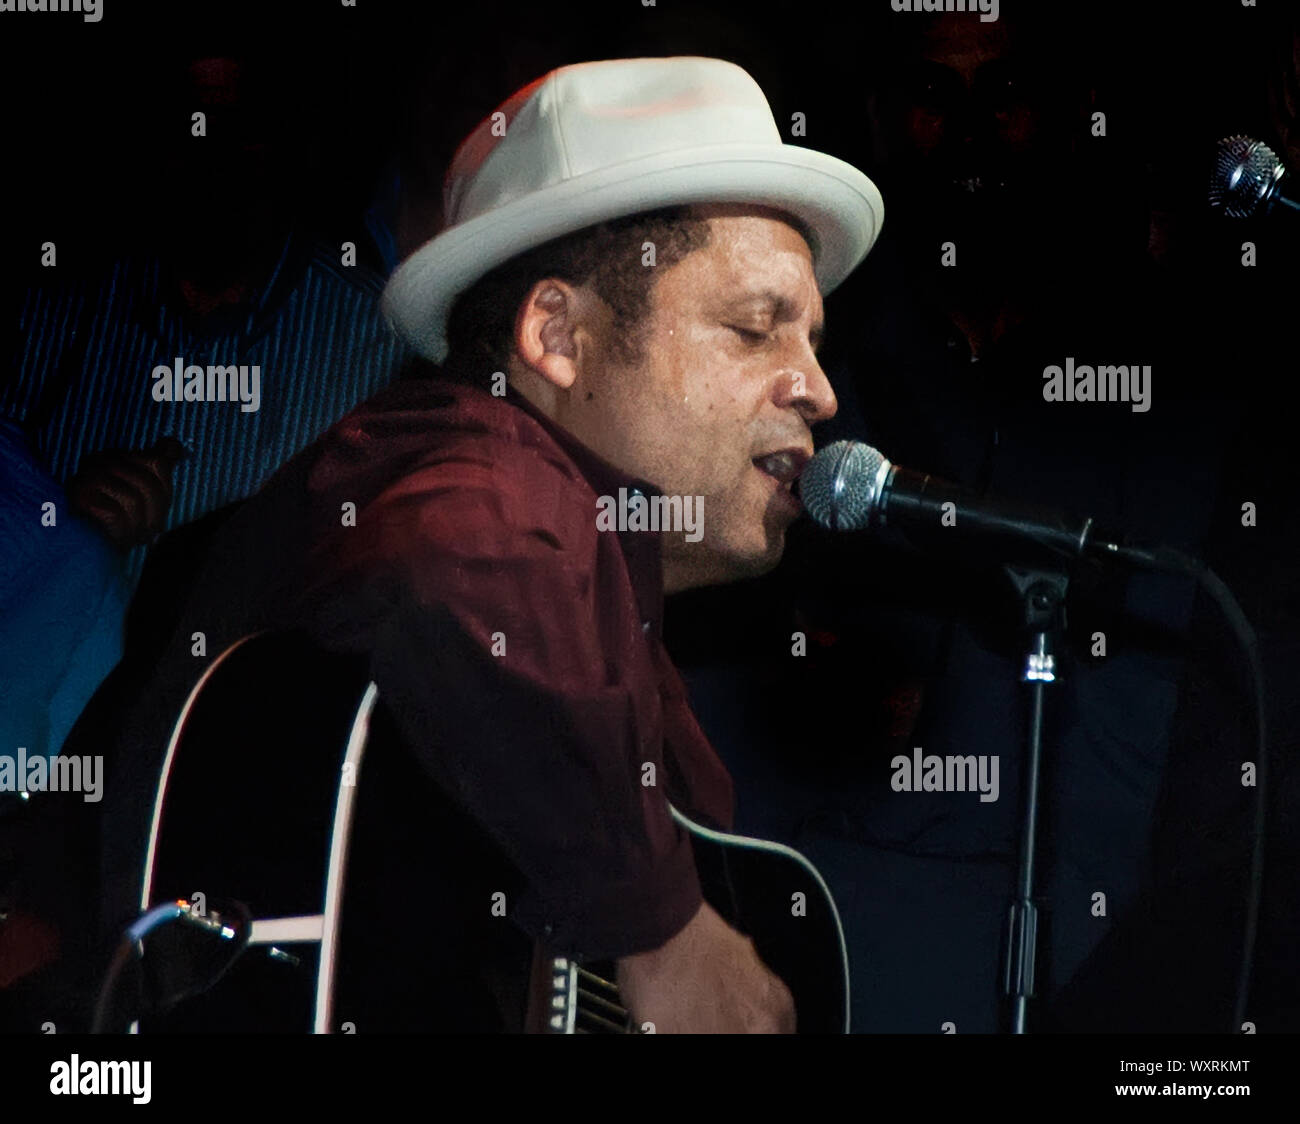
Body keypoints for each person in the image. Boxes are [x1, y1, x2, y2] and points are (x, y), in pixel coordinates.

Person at [97, 56, 885, 1033]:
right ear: (556, 335)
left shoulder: (592, 578)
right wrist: (660, 932)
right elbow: (453, 558)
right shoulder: (477, 454)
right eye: (754, 328)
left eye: (811, 340)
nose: (818, 389)